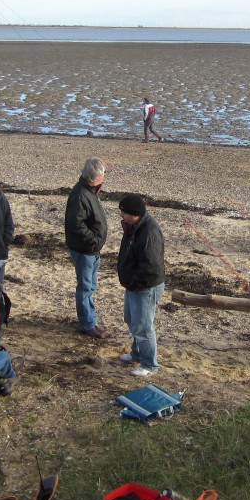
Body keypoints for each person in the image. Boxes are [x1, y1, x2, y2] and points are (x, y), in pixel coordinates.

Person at [116, 194, 165, 377]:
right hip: (133, 285)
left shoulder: (148, 232)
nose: (121, 215)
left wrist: (136, 283)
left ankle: (149, 364)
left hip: (145, 287)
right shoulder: (134, 227)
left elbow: (151, 267)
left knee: (143, 327)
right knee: (131, 320)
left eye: (124, 212)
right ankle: (137, 352)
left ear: (134, 214)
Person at [64, 157, 109, 339]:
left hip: (91, 249)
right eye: (103, 175)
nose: (105, 177)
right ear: (94, 177)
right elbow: (76, 224)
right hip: (85, 249)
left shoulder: (89, 191)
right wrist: (92, 240)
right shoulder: (81, 194)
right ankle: (87, 324)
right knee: (85, 287)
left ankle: (90, 321)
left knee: (90, 286)